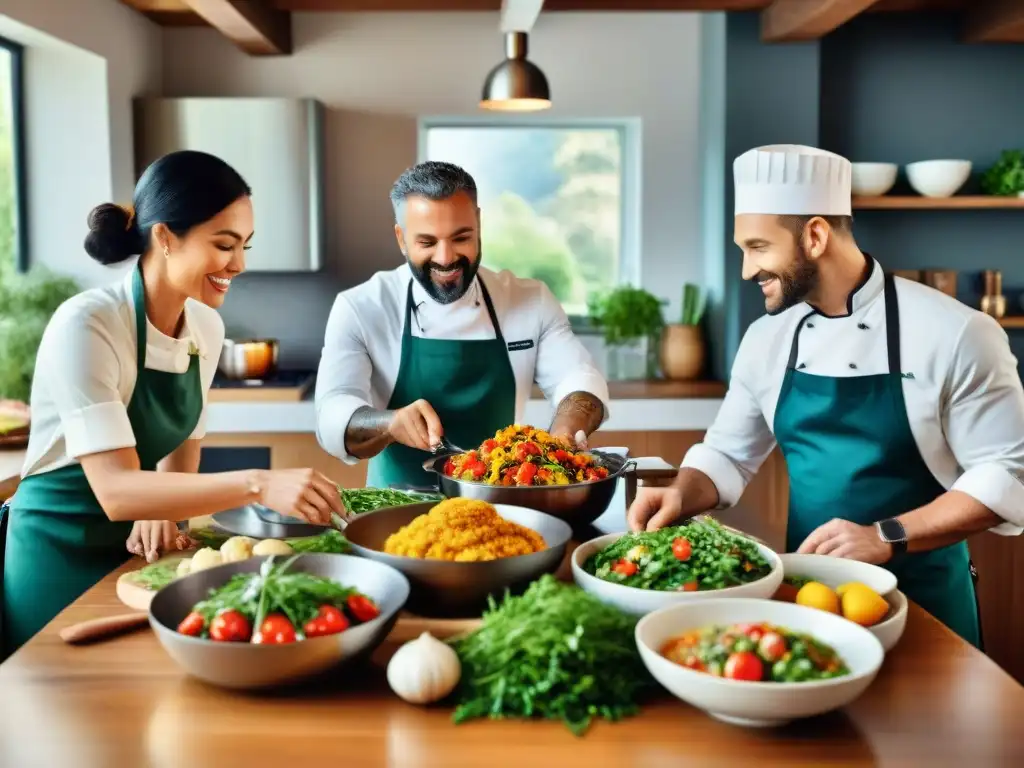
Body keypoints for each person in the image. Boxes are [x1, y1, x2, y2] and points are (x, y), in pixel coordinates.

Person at [627, 144, 1024, 647]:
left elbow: (1007, 476)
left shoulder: (959, 332)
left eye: (757, 247)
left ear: (814, 236)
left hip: (930, 605)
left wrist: (884, 535)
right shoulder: (766, 339)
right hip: (809, 603)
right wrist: (681, 492)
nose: (747, 270)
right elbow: (728, 454)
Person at [0, 150, 343, 657]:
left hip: (142, 559)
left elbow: (180, 455)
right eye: (224, 245)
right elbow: (116, 490)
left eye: (245, 246)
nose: (239, 264)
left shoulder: (205, 326)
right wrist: (260, 483)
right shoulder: (90, 325)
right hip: (58, 554)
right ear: (165, 236)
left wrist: (165, 508)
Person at [315, 161, 610, 489]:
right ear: (401, 239)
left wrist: (565, 434)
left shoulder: (530, 301)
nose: (445, 258)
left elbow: (578, 380)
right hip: (394, 514)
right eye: (427, 243)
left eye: (461, 238)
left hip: (503, 511)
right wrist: (390, 423)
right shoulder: (362, 307)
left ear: (478, 225)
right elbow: (332, 414)